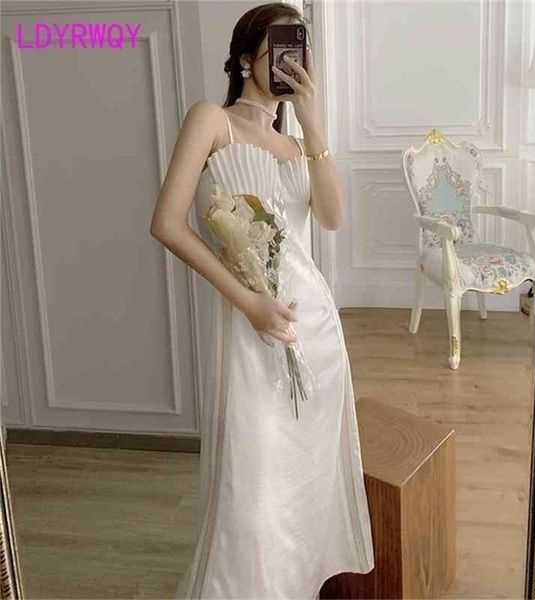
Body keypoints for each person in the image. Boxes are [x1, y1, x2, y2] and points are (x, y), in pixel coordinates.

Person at [150, 3, 375, 598]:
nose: (290, 60)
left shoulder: (299, 146)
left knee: (304, 479)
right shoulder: (212, 120)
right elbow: (167, 224)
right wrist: (248, 304)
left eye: (299, 49)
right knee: (252, 485)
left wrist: (313, 122)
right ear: (247, 58)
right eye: (278, 46)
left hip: (315, 329)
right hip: (252, 325)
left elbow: (332, 218)